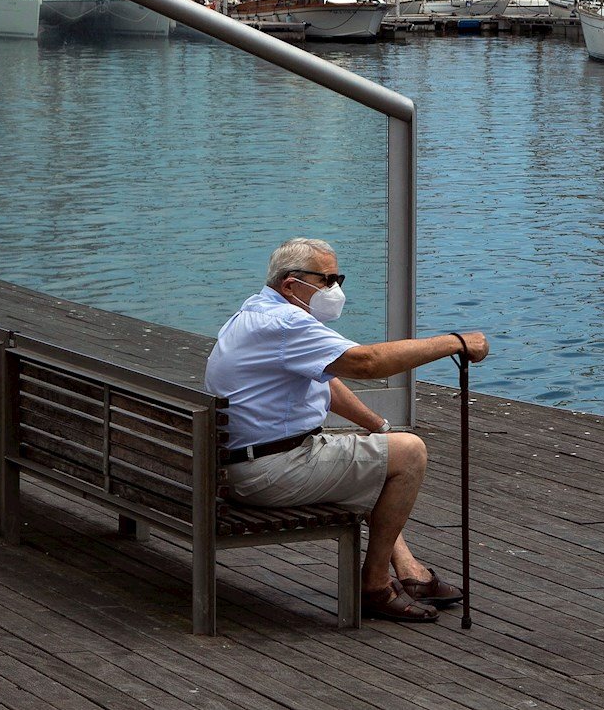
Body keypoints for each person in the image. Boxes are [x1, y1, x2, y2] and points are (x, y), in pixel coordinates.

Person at [205, 237, 489, 624]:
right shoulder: (288, 323)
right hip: (269, 472)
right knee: (409, 453)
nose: (335, 290)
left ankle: (410, 573)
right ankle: (374, 586)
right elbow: (366, 363)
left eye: (339, 278)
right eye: (327, 280)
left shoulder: (254, 313)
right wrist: (452, 342)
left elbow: (326, 377)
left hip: (239, 463)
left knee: (381, 453)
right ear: (291, 284)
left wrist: (377, 426)